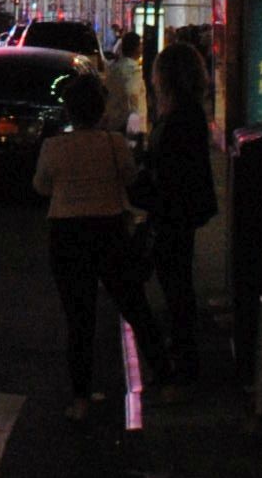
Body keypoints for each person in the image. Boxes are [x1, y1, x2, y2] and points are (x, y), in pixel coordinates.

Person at [34, 68, 168, 426]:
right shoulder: (114, 144)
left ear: (69, 110)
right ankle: (164, 372)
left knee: (79, 319)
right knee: (134, 305)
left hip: (67, 233)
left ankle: (80, 398)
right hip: (109, 230)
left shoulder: (54, 147)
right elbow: (130, 178)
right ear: (101, 109)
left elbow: (41, 186)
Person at [140, 40, 219, 387]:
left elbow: (172, 168)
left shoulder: (179, 117)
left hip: (172, 210)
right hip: (180, 209)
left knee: (176, 284)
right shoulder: (190, 112)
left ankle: (185, 357)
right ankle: (183, 350)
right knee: (177, 281)